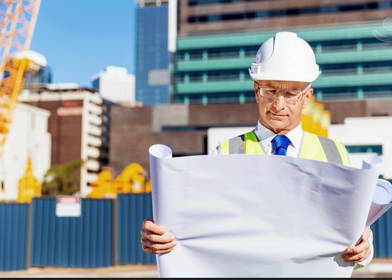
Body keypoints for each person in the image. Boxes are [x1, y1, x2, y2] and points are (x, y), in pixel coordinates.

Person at [141, 31, 373, 267]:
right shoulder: (225, 152)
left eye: (291, 94)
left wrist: (365, 249)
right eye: (270, 91)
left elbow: (356, 230)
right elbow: (202, 228)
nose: (278, 105)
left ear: (307, 97)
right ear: (256, 90)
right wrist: (163, 235)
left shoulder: (336, 154)